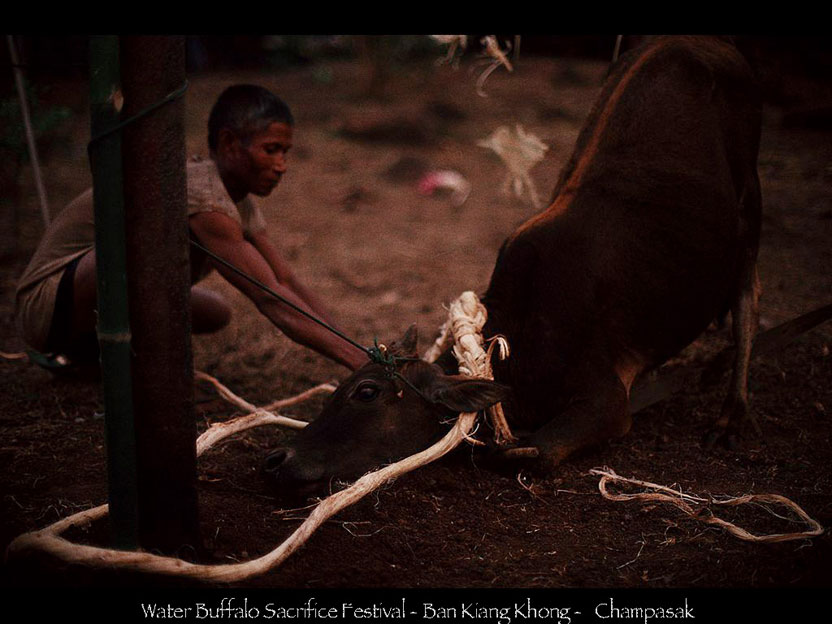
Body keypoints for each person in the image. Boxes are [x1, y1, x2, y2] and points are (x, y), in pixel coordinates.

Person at [15, 84, 368, 372]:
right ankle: (107, 355)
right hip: (47, 307)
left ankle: (90, 358)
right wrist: (356, 362)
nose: (282, 166)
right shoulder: (202, 192)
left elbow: (285, 279)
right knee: (126, 253)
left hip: (89, 301)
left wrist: (358, 347)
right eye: (271, 150)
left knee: (215, 312)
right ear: (229, 143)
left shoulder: (239, 200)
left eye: (285, 152)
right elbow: (268, 296)